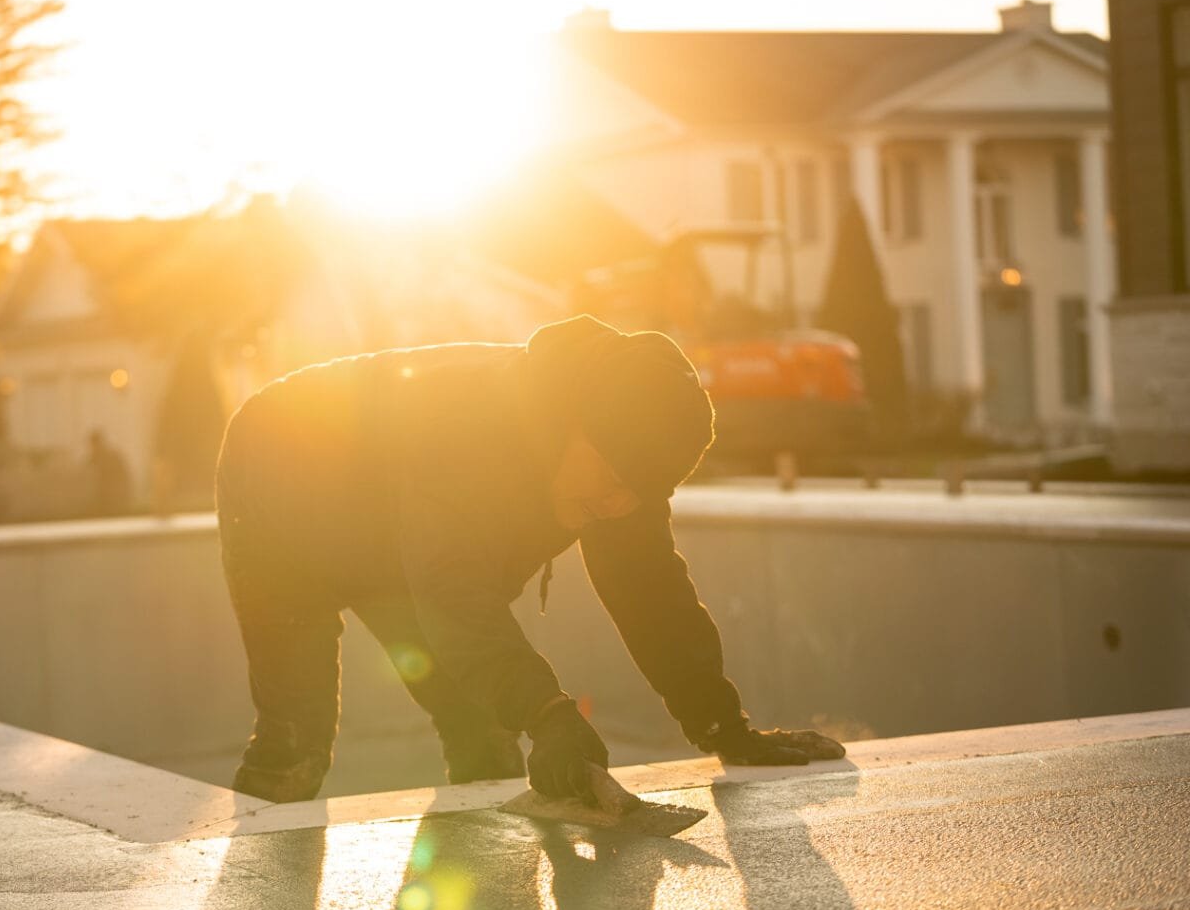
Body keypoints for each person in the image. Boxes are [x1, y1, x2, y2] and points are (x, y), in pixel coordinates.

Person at [215, 314, 845, 804]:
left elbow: (650, 591)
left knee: (483, 726)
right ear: (569, 425)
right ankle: (243, 902)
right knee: (295, 743)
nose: (617, 503)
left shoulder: (624, 456)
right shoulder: (467, 431)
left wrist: (722, 726)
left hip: (400, 529)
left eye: (638, 494)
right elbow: (455, 594)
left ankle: (473, 908)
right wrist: (548, 713)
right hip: (279, 490)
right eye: (612, 481)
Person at [87, 428, 133, 516]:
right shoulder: (103, 456)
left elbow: (122, 478)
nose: (92, 448)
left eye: (93, 445)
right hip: (110, 498)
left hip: (114, 497)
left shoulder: (109, 457)